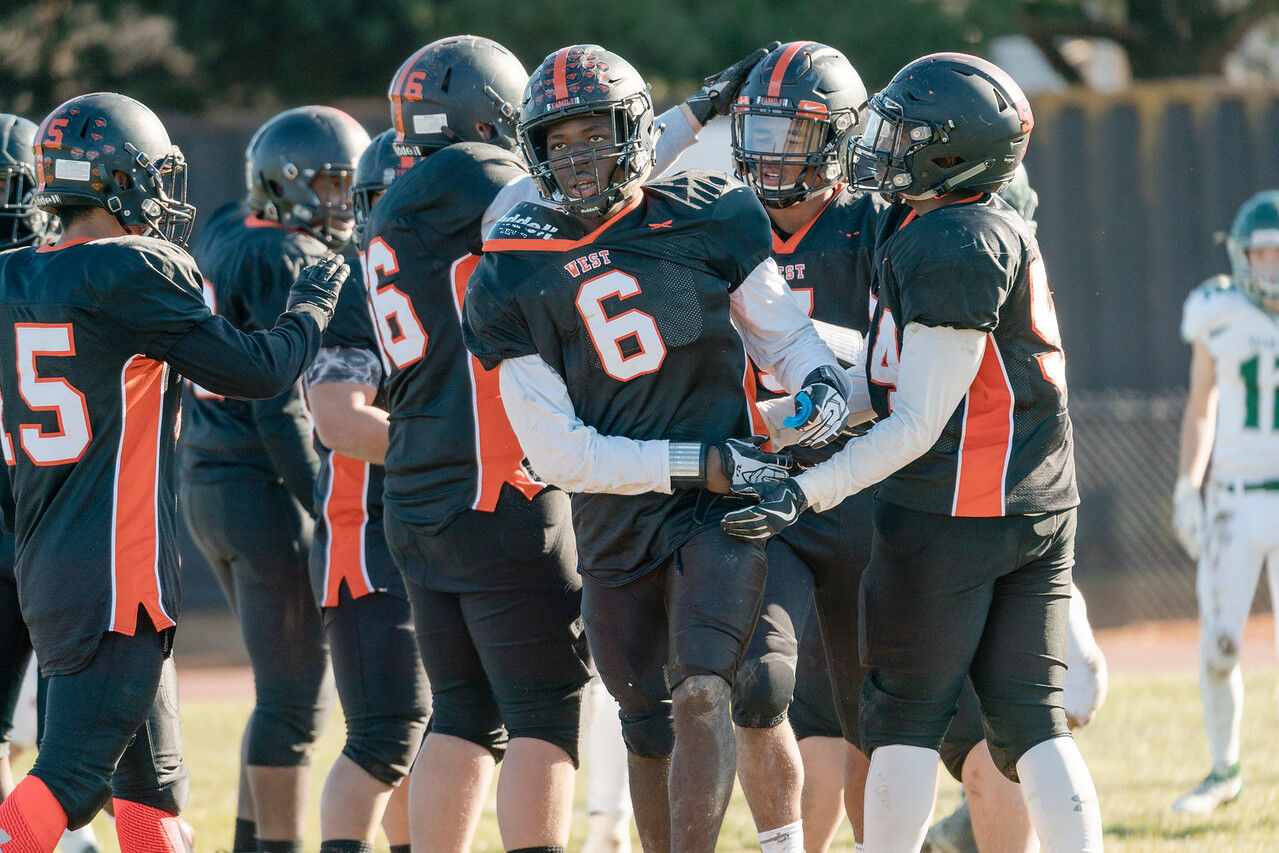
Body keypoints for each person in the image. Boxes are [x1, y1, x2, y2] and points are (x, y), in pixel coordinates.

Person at [376, 35, 770, 853]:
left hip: (411, 481)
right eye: (551, 133)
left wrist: (692, 113)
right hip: (496, 478)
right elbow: (593, 176)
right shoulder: (481, 182)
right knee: (544, 711)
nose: (569, 154)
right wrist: (685, 117)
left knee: (461, 710)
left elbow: (597, 164)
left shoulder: (396, 203)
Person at [463, 43, 850, 852]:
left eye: (593, 133)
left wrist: (817, 379)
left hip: (717, 506)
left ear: (634, 131)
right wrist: (697, 461)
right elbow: (559, 454)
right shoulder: (511, 267)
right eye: (558, 141)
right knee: (643, 719)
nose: (576, 157)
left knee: (712, 686)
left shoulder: (707, 214)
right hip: (616, 514)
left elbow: (782, 334)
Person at [722, 53, 1103, 851]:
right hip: (1033, 496)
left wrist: (808, 489)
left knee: (901, 719)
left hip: (957, 506)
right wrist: (797, 414)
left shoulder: (952, 240)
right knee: (1029, 722)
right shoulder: (938, 222)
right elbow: (884, 378)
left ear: (952, 151)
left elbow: (916, 421)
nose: (882, 144)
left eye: (904, 133)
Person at [0, 91, 345, 853]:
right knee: (70, 781)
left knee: (153, 791)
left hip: (58, 559)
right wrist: (312, 305)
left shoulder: (13, 274)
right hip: (111, 569)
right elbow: (258, 371)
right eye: (152, 176)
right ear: (118, 179)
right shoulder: (129, 267)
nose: (162, 195)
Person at [180, 104, 369, 853]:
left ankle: (250, 843)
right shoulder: (286, 255)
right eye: (329, 185)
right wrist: (323, 500)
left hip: (208, 475)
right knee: (294, 699)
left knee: (277, 693)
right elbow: (278, 406)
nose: (341, 202)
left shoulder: (228, 225)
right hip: (258, 483)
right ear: (285, 182)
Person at [922, 162, 1109, 853]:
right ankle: (966, 821)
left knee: (1048, 708)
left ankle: (970, 823)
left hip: (1004, 514)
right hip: (969, 518)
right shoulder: (968, 260)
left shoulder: (976, 267)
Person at [725, 40, 879, 853]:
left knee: (871, 716)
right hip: (764, 493)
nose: (772, 153)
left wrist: (810, 360)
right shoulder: (723, 223)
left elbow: (900, 370)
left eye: (795, 135)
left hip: (862, 489)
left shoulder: (875, 225)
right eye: (759, 130)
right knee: (761, 685)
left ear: (840, 139)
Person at [304, 128, 426, 853]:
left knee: (436, 734)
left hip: (435, 530)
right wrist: (454, 454)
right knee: (386, 735)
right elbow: (339, 419)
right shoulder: (355, 284)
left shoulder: (476, 275)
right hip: (369, 534)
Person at [1171, 188, 1279, 814]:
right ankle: (1224, 770)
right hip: (1235, 500)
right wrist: (1189, 484)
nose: (1271, 266)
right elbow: (1201, 406)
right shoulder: (1218, 311)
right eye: (1262, 254)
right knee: (1220, 647)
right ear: (1242, 257)